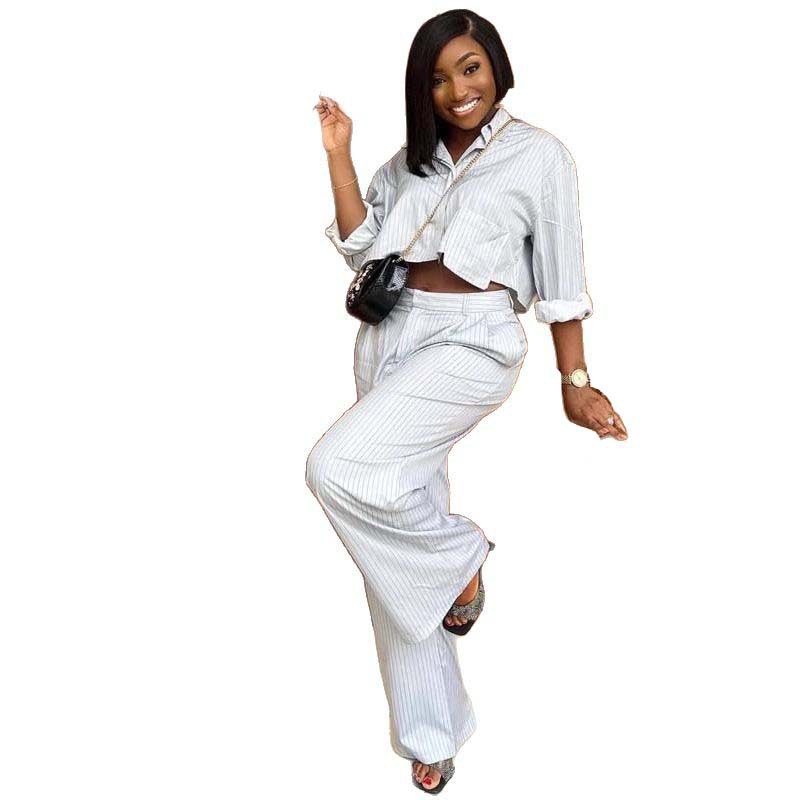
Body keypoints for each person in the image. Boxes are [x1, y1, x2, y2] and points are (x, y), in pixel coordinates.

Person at [306, 9, 628, 793]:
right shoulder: (407, 163)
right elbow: (360, 244)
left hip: (473, 338)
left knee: (338, 468)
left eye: (471, 68)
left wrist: (575, 382)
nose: (457, 90)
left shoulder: (539, 156)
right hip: (390, 337)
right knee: (391, 528)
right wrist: (340, 154)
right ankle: (432, 730)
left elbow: (562, 276)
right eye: (439, 78)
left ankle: (459, 558)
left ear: (496, 68)